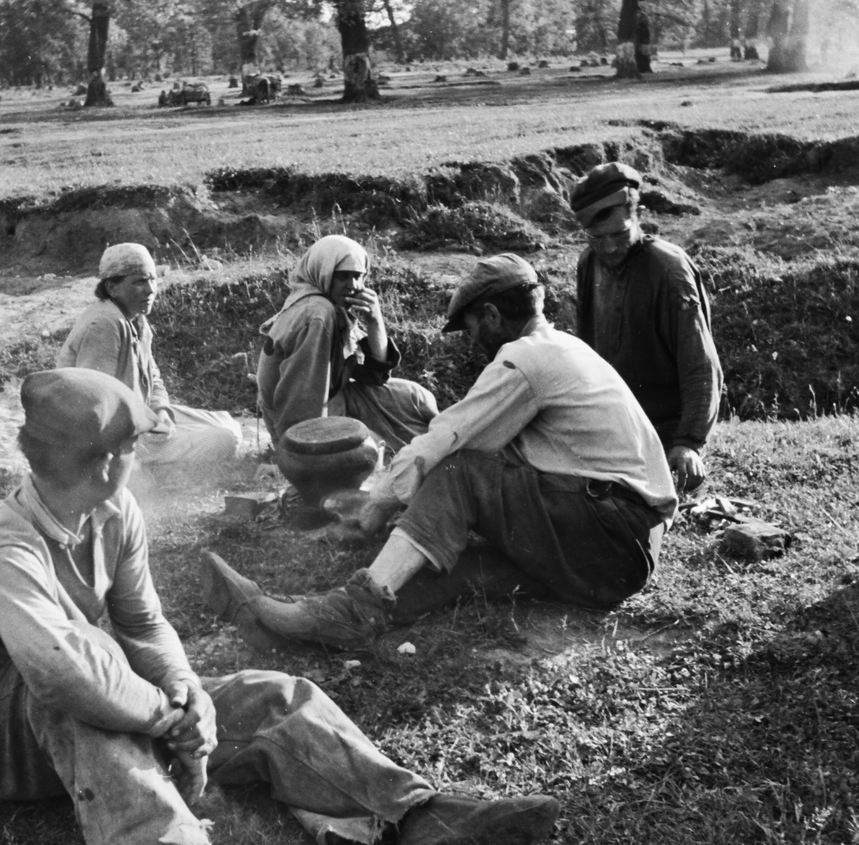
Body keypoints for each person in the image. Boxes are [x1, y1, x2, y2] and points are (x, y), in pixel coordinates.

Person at [0, 367, 559, 845]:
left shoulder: (111, 510)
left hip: (95, 698)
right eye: (131, 449)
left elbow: (145, 623)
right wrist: (165, 718)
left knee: (273, 694)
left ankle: (414, 814)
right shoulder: (4, 548)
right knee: (84, 665)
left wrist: (187, 694)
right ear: (104, 461)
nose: (135, 460)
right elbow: (58, 672)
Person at [202, 254, 678, 650]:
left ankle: (354, 606)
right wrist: (408, 511)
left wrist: (375, 505)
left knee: (457, 470)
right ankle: (314, 622)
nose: (472, 339)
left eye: (471, 326)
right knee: (450, 571)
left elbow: (446, 443)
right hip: (619, 557)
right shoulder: (564, 348)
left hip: (609, 532)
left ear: (491, 315)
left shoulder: (526, 359)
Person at [570, 162, 723, 495]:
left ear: (636, 216)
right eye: (597, 238)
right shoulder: (588, 263)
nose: (609, 247)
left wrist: (689, 443)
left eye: (619, 234)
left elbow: (701, 366)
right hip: (614, 429)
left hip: (664, 436)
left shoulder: (668, 269)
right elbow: (588, 350)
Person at [56, 243, 241, 478]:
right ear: (112, 287)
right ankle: (152, 475)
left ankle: (160, 462)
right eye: (139, 282)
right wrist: (145, 424)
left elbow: (152, 376)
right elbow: (93, 405)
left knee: (227, 423)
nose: (150, 290)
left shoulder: (137, 319)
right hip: (115, 436)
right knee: (225, 439)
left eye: (153, 280)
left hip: (140, 417)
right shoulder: (104, 324)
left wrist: (161, 411)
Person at [257, 235, 438, 456]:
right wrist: (303, 451)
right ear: (323, 271)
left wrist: (374, 321)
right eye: (343, 277)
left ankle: (430, 444)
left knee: (413, 395)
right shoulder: (316, 313)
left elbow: (374, 375)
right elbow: (302, 398)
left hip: (331, 398)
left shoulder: (332, 308)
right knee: (364, 453)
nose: (352, 286)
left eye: (358, 277)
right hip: (299, 416)